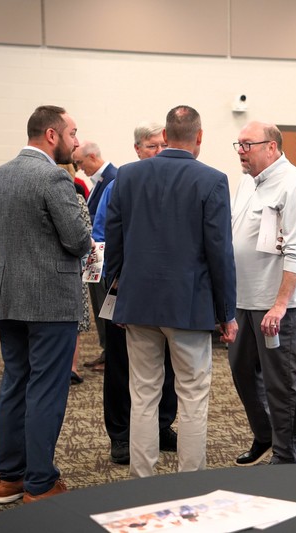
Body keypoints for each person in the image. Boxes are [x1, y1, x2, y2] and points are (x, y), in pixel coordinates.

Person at [104, 105, 237, 478]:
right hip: (189, 306)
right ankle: (189, 481)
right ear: (199, 137)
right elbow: (219, 251)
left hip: (138, 302)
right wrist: (226, 312)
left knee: (142, 394)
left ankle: (141, 481)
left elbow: (114, 242)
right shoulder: (212, 179)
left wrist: (116, 297)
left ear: (164, 136)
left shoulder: (127, 176)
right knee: (193, 395)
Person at [0, 105, 92, 504]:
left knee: (15, 383)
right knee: (47, 390)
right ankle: (40, 484)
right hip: (50, 301)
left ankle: (9, 479)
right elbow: (78, 241)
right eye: (73, 132)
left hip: (7, 296)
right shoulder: (53, 177)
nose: (77, 141)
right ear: (51, 135)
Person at [229, 121, 296, 465]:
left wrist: (280, 304)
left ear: (272, 146)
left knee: (280, 382)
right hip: (244, 300)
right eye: (237, 145)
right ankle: (266, 433)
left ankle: (285, 456)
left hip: (278, 305)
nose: (241, 151)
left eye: (247, 145)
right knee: (240, 371)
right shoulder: (246, 183)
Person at [94, 121, 177, 466]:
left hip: (168, 289)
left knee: (169, 363)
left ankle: (161, 426)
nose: (157, 152)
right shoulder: (118, 185)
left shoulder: (176, 183)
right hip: (124, 288)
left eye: (162, 145)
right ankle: (121, 435)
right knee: (121, 364)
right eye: (151, 146)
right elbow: (101, 236)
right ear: (137, 150)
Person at [72, 141, 116, 369]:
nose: (79, 168)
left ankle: (110, 352)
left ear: (91, 157)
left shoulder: (112, 177)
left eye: (80, 162)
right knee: (97, 303)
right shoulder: (98, 180)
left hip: (102, 252)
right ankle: (104, 349)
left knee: (104, 303)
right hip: (94, 251)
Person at [58, 163, 92, 385]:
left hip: (46, 272)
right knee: (73, 322)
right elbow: (84, 235)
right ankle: (71, 367)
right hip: (72, 268)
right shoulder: (75, 198)